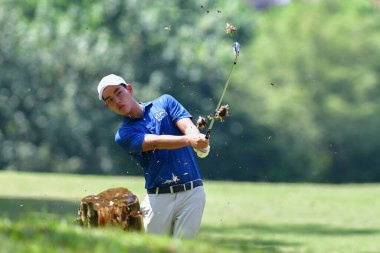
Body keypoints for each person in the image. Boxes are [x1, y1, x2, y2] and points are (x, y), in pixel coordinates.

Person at [97, 74, 210, 239]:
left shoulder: (165, 102)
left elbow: (187, 126)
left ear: (129, 89)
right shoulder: (123, 134)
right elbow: (155, 142)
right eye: (110, 100)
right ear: (108, 106)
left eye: (118, 93)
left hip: (192, 193)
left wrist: (199, 140)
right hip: (159, 197)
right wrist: (190, 140)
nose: (117, 101)